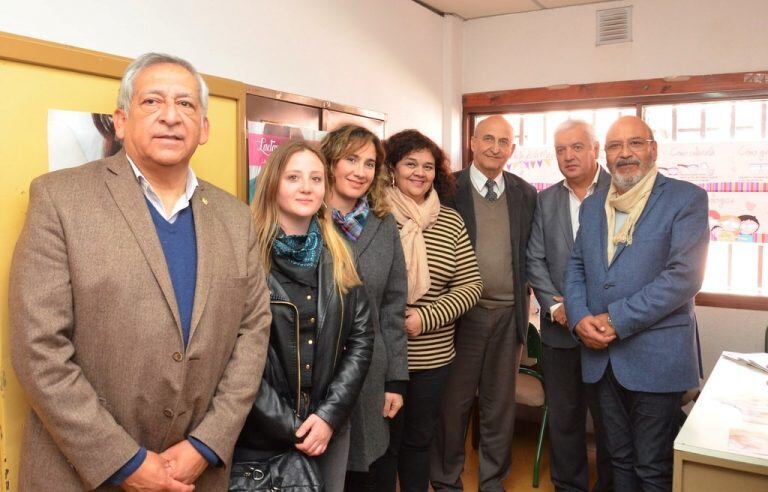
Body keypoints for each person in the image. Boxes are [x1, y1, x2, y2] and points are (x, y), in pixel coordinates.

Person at [9, 52, 272, 491]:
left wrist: (206, 445)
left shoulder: (234, 216)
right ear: (121, 120)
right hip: (81, 472)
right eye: (152, 102)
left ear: (204, 127)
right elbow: (39, 350)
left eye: (186, 104)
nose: (171, 116)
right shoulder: (60, 199)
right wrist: (123, 461)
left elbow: (253, 333)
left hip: (197, 473)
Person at [564, 115, 709, 492]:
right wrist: (579, 319)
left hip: (656, 356)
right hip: (599, 356)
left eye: (636, 143)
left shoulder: (686, 198)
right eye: (615, 146)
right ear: (605, 156)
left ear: (653, 149)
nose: (625, 153)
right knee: (616, 460)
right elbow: (577, 266)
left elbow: (684, 277)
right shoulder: (594, 206)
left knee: (651, 465)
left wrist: (615, 319)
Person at [234, 139, 374, 492]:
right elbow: (234, 355)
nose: (306, 187)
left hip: (328, 428)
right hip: (259, 434)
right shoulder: (244, 257)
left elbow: (361, 339)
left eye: (315, 179)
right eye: (294, 177)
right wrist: (293, 427)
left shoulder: (340, 254)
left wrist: (327, 417)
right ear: (272, 184)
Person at [432, 115, 536, 492]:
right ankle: (445, 481)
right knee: (453, 406)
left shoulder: (525, 193)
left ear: (512, 148)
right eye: (487, 139)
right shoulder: (447, 188)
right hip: (462, 317)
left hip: (510, 317)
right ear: (472, 143)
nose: (495, 147)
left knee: (499, 408)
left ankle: (493, 482)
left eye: (503, 141)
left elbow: (530, 255)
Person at [383, 130, 482, 492]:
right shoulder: (374, 215)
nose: (419, 173)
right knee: (383, 447)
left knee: (419, 441)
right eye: (410, 163)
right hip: (381, 357)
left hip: (433, 357)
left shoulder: (451, 221)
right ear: (392, 167)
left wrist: (426, 317)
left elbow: (472, 286)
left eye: (427, 166)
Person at [319, 125, 409, 492]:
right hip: (318, 375)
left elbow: (392, 307)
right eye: (351, 159)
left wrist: (396, 380)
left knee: (367, 471)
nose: (360, 171)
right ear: (329, 163)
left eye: (370, 164)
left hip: (371, 374)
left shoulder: (383, 224)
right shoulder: (306, 217)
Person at [526, 119, 613, 492]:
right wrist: (558, 309)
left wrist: (605, 317)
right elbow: (535, 260)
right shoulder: (545, 200)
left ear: (595, 149)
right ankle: (569, 486)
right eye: (560, 149)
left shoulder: (622, 189)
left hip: (610, 332)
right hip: (559, 333)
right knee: (565, 418)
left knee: (611, 421)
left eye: (577, 147)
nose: (568, 156)